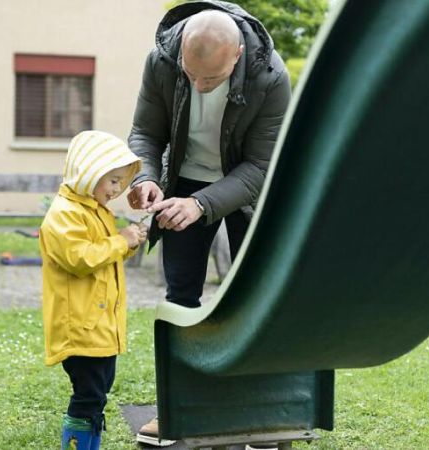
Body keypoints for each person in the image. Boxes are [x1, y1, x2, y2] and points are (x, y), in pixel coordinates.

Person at [126, 1, 290, 447]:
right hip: (182, 180)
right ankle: (178, 409)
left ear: (237, 55)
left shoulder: (270, 77)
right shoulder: (162, 60)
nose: (198, 86)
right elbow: (146, 133)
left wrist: (201, 205)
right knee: (180, 298)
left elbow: (261, 166)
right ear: (181, 49)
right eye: (190, 75)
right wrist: (146, 178)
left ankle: (260, 415)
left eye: (211, 80)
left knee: (253, 299)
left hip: (245, 187)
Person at [39, 130, 146, 450]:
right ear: (87, 173)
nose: (116, 189)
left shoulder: (93, 209)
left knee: (98, 392)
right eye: (112, 180)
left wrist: (128, 244)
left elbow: (103, 257)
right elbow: (80, 258)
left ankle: (89, 442)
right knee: (88, 395)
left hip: (99, 327)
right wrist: (120, 241)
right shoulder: (64, 214)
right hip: (80, 328)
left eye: (120, 182)